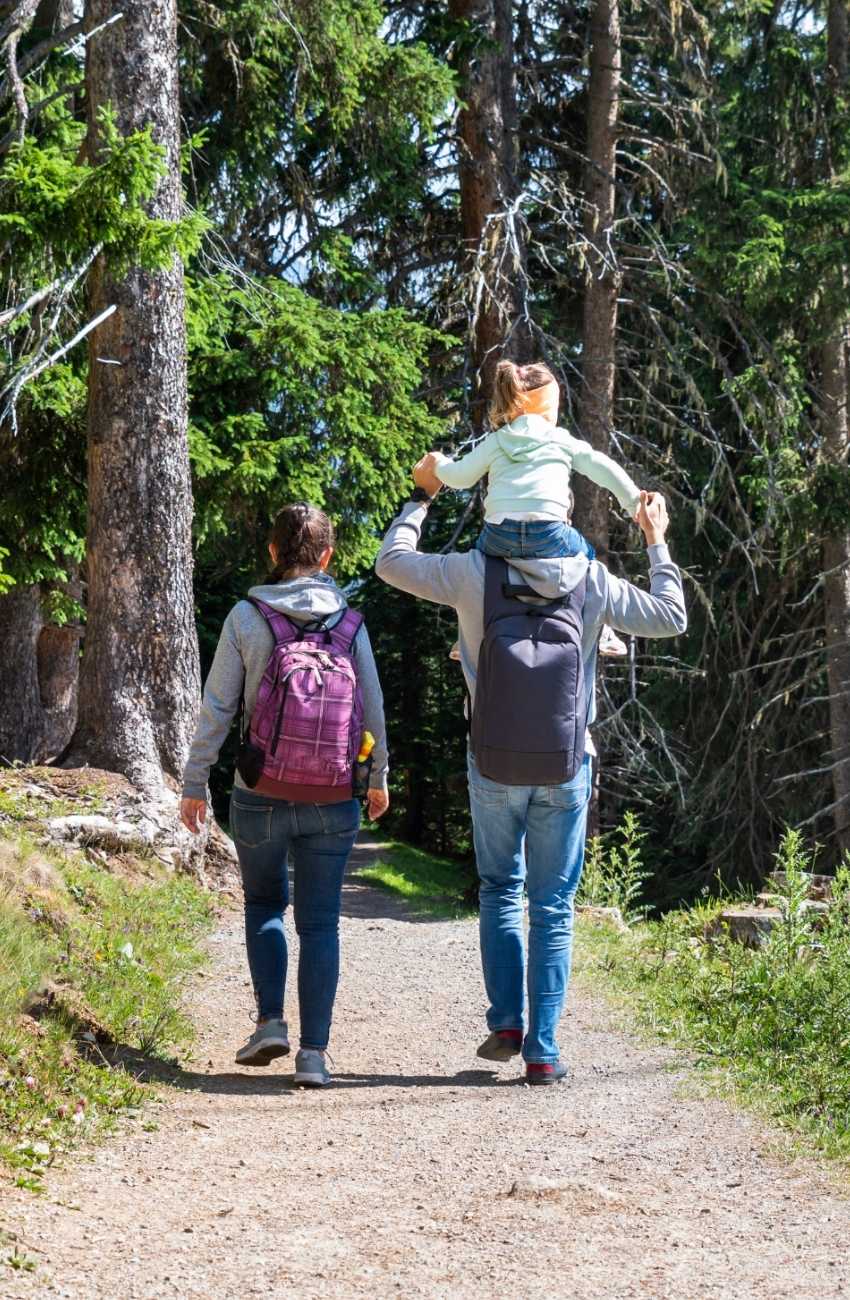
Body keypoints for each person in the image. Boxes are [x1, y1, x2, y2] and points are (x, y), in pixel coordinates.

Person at [374, 464, 686, 1085]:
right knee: (553, 906)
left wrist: (423, 494)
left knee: (499, 888)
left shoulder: (469, 572)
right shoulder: (592, 580)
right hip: (567, 762)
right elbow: (671, 616)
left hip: (491, 759)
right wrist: (655, 537)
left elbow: (391, 562)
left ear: (496, 508)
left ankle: (506, 1023)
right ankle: (543, 1051)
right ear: (564, 513)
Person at [180, 503, 389, 1089]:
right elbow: (372, 707)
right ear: (326, 558)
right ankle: (315, 1056)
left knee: (265, 904)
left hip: (259, 790)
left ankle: (271, 1021)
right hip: (333, 795)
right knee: (320, 923)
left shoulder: (247, 618)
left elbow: (218, 707)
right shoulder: (350, 623)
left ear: (273, 554)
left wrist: (195, 782)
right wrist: (378, 777)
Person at [424, 359, 641, 657]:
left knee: (477, 570)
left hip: (499, 535)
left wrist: (439, 463)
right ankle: (602, 632)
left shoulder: (497, 441)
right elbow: (602, 467)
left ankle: (468, 636)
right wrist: (633, 502)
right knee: (588, 561)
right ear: (545, 405)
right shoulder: (560, 439)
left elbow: (459, 478)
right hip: (550, 533)